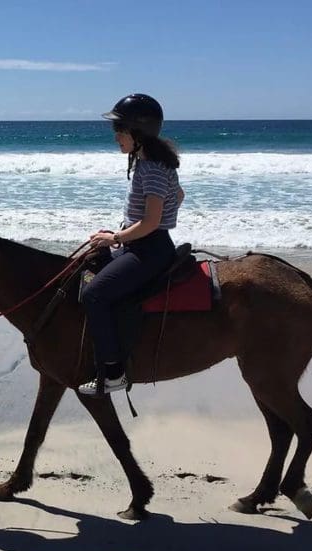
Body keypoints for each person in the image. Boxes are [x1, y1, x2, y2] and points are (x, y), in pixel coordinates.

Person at [78, 93, 185, 397]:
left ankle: (113, 372)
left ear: (138, 133)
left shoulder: (150, 167)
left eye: (119, 130)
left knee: (95, 296)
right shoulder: (154, 162)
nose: (115, 137)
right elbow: (178, 197)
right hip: (146, 244)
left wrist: (115, 238)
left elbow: (151, 223)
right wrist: (127, 231)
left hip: (148, 250)